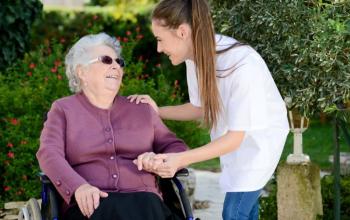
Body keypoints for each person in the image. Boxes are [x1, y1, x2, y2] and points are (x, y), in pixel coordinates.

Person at [128, 0, 290, 219]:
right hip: (236, 141)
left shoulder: (243, 67)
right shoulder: (194, 58)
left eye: (160, 39)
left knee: (233, 212)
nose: (159, 48)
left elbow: (235, 139)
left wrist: (180, 159)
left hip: (260, 142)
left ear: (182, 32)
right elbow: (200, 107)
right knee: (244, 209)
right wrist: (157, 111)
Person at [36, 32, 187, 220]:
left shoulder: (141, 109)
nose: (116, 66)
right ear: (81, 71)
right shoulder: (63, 110)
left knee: (147, 204)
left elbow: (175, 146)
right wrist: (78, 186)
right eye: (106, 60)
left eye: (119, 62)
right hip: (91, 205)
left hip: (144, 203)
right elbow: (49, 153)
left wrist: (161, 160)